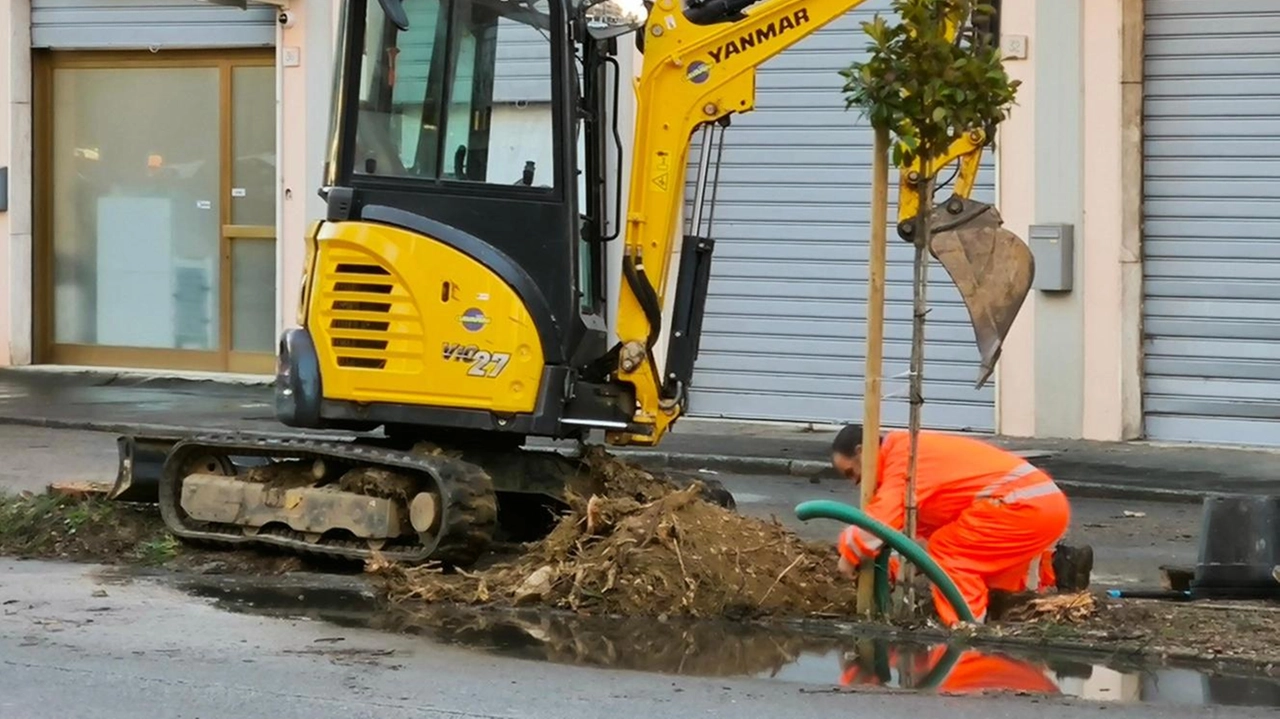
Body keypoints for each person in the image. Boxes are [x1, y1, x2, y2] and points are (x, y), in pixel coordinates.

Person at [830, 423, 1091, 627]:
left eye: (851, 472)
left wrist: (848, 552)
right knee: (1000, 583)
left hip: (1020, 505)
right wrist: (892, 569)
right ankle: (1059, 570)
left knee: (951, 554)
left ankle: (967, 630)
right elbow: (919, 547)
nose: (855, 482)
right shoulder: (909, 450)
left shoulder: (903, 457)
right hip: (1039, 504)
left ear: (862, 452)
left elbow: (878, 523)